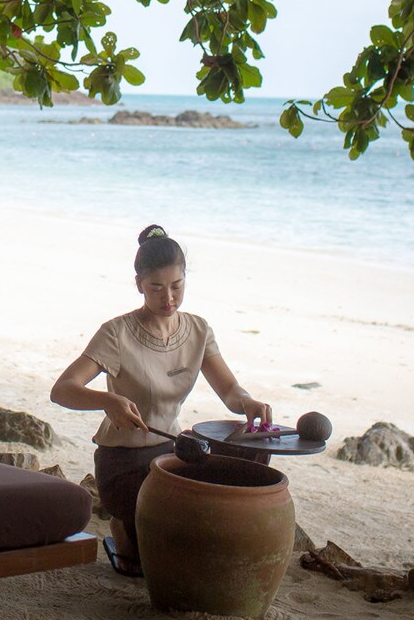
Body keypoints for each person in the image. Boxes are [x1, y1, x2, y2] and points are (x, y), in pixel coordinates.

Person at [51, 225, 272, 578]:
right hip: (123, 460)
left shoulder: (198, 330)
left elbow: (229, 390)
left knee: (244, 469)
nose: (168, 297)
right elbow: (62, 389)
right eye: (156, 287)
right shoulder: (117, 333)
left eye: (177, 286)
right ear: (139, 284)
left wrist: (247, 401)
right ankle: (123, 527)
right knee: (148, 563)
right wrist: (107, 400)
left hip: (172, 452)